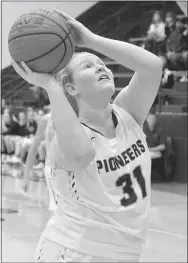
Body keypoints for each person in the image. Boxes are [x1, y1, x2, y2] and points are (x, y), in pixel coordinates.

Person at [12, 9, 162, 263]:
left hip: (125, 254)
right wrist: (50, 85)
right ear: (69, 86)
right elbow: (82, 154)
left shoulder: (127, 113)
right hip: (74, 253)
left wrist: (91, 40)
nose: (100, 67)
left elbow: (152, 67)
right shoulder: (62, 134)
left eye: (101, 64)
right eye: (88, 66)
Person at [22, 113, 58, 211]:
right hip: (53, 169)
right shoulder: (46, 119)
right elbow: (33, 149)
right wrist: (26, 177)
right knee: (58, 210)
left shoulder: (76, 114)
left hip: (73, 169)